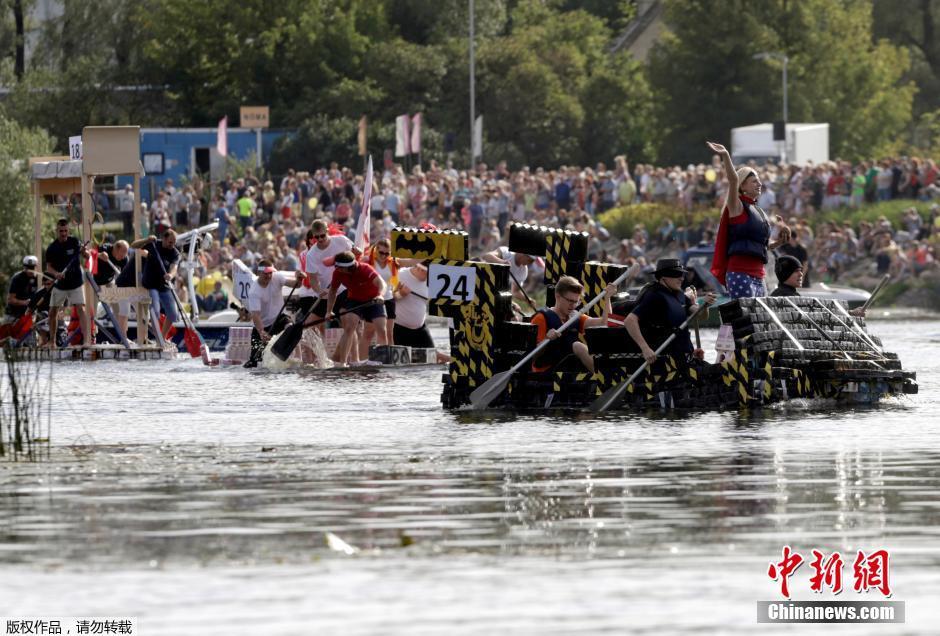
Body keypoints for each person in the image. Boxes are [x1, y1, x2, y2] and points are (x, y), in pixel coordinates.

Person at [707, 141, 790, 298]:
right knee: (746, 320)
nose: (759, 184)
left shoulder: (759, 211)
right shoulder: (736, 206)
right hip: (740, 273)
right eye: (754, 181)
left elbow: (764, 246)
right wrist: (725, 155)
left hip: (759, 276)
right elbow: (732, 180)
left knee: (760, 320)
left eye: (759, 180)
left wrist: (780, 242)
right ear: (742, 185)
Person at [625, 258, 716, 364]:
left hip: (684, 357)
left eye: (682, 275)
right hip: (665, 360)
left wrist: (705, 305)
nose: (681, 279)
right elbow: (630, 321)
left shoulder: (679, 294)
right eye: (676, 274)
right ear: (663, 277)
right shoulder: (655, 296)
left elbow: (700, 315)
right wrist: (645, 349)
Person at [530, 275, 614, 374]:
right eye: (570, 301)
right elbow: (531, 356)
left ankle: (604, 375)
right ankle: (603, 378)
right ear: (557, 296)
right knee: (578, 346)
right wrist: (547, 339)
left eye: (576, 302)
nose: (573, 305)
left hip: (569, 368)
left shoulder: (575, 316)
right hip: (546, 372)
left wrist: (608, 298)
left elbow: (604, 323)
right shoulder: (541, 318)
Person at [323, 250, 386, 367]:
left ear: (350, 267)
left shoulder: (365, 269)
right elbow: (332, 292)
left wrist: (381, 295)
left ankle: (384, 361)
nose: (337, 269)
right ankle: (343, 363)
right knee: (349, 328)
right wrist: (328, 311)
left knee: (381, 328)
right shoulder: (338, 273)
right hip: (354, 300)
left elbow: (381, 283)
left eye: (339, 267)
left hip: (374, 299)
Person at [243, 260, 305, 368]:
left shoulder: (277, 277)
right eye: (266, 273)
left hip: (280, 317)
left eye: (270, 272)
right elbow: (255, 315)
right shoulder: (254, 291)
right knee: (255, 363)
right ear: (259, 273)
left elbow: (296, 285)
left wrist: (299, 279)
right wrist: (262, 332)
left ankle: (299, 360)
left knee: (291, 328)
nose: (269, 276)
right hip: (263, 324)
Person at [45, 219, 90, 348]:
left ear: (68, 231)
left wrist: (84, 251)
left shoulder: (75, 242)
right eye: (61, 231)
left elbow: (87, 256)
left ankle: (87, 340)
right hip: (60, 285)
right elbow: (49, 267)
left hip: (75, 283)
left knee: (81, 309)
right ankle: (52, 342)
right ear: (57, 231)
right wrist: (56, 274)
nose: (63, 233)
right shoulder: (52, 248)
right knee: (52, 311)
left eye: (65, 231)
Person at [303, 219, 356, 327]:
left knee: (349, 325)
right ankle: (318, 344)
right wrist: (319, 291)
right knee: (307, 326)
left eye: (322, 236)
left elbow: (354, 255)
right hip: (327, 293)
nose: (320, 239)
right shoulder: (311, 255)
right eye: (317, 237)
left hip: (345, 289)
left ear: (327, 231)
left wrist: (357, 251)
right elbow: (312, 279)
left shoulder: (341, 240)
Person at [133, 229, 180, 341]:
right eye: (170, 242)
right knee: (156, 312)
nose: (172, 245)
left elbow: (174, 268)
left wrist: (170, 275)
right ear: (163, 238)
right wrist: (146, 240)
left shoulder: (175, 253)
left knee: (173, 315)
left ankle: (161, 338)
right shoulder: (153, 244)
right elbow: (134, 246)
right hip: (151, 285)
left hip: (164, 286)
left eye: (174, 242)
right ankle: (159, 338)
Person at [359, 238, 398, 359]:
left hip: (388, 298)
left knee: (389, 333)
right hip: (373, 299)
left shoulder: (393, 262)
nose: (384, 256)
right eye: (381, 253)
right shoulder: (368, 260)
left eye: (387, 253)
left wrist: (427, 255)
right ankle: (362, 361)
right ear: (376, 250)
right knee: (368, 333)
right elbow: (354, 264)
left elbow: (411, 261)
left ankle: (388, 360)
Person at [481, 245, 536, 311]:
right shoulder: (506, 252)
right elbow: (486, 256)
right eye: (530, 260)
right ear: (523, 254)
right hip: (480, 280)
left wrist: (527, 300)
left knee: (514, 316)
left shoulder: (523, 271)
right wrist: (502, 262)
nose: (530, 263)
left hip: (492, 291)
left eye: (532, 261)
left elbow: (515, 292)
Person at [5, 256, 40, 320]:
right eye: (28, 268)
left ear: (37, 267)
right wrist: (25, 302)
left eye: (32, 267)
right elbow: (10, 299)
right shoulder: (17, 278)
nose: (30, 270)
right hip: (14, 314)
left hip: (30, 315)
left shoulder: (40, 279)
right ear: (24, 267)